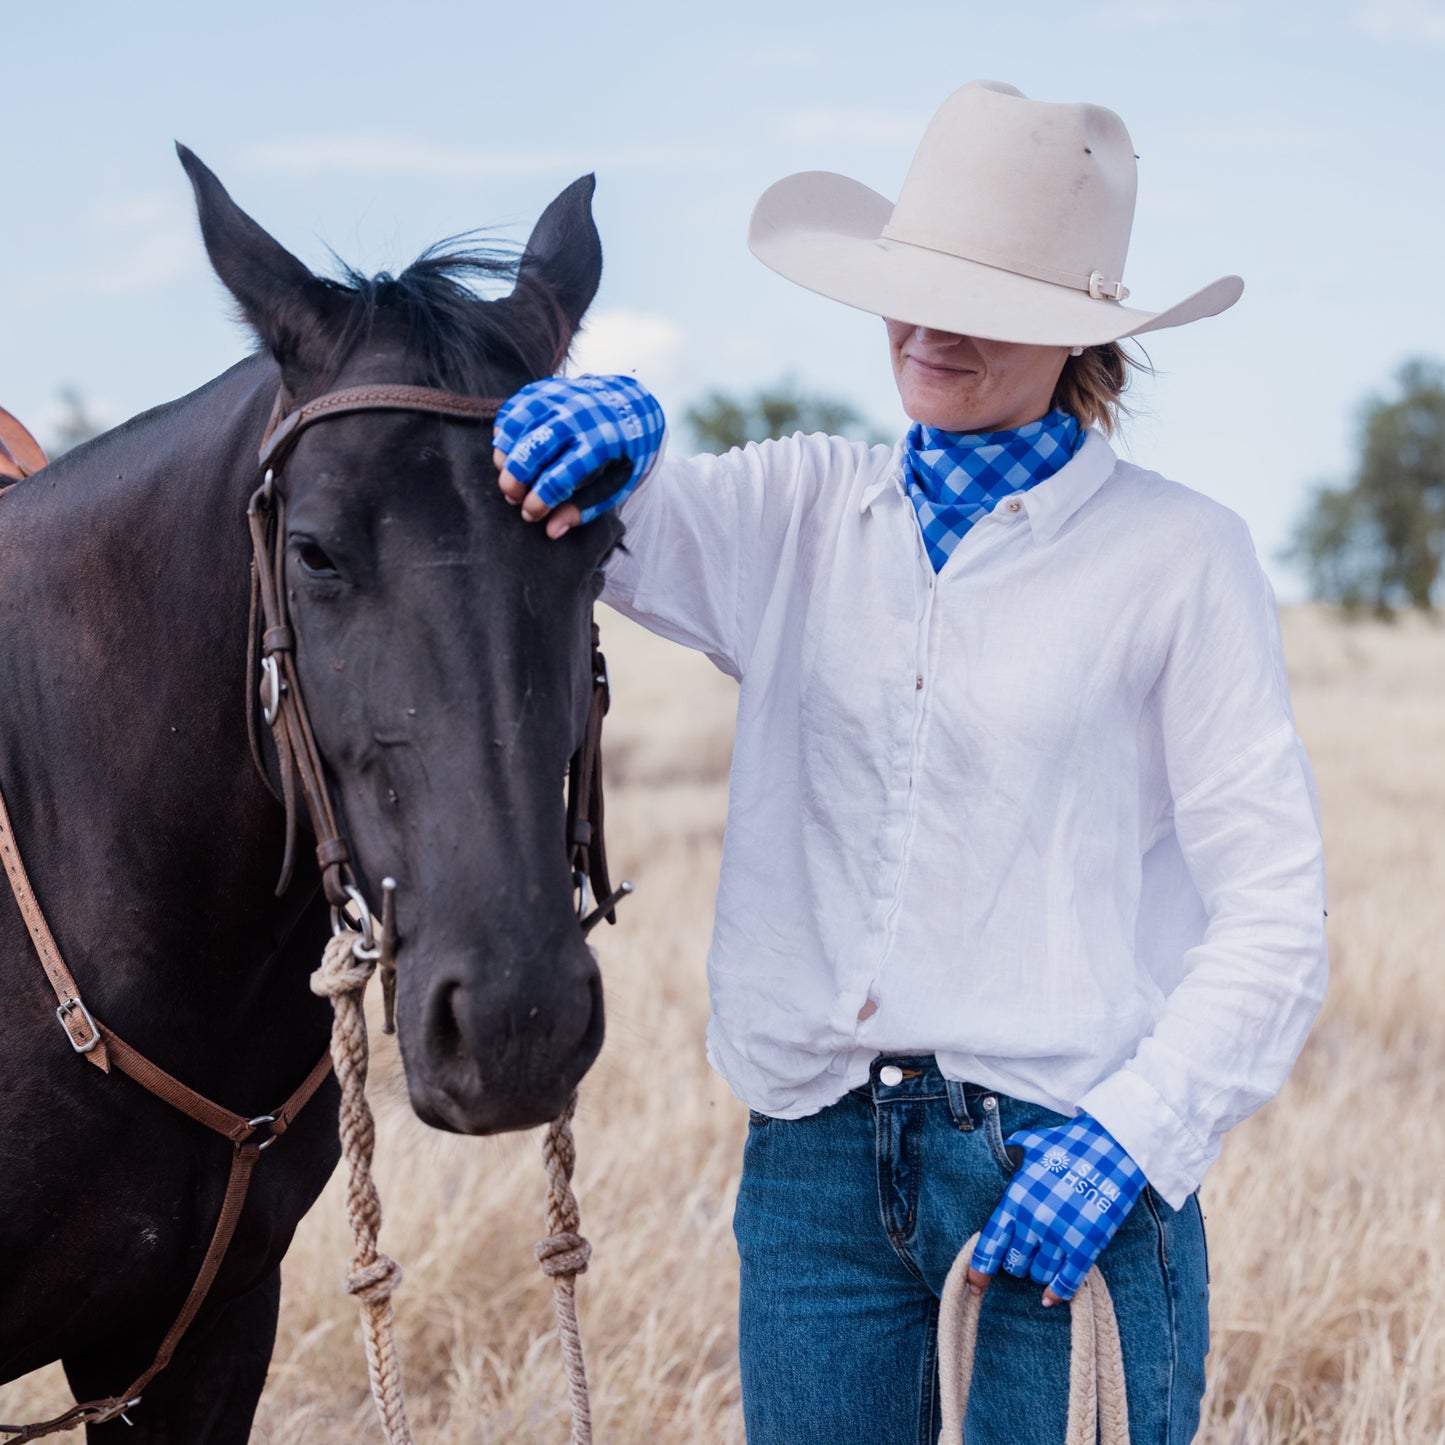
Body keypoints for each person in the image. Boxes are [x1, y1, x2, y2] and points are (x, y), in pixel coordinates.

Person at [491, 80, 1327, 1445]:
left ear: (1077, 336)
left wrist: (1129, 1139)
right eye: (911, 287)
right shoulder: (800, 509)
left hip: (1063, 1160)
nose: (929, 330)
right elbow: (586, 512)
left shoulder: (1181, 558)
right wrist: (590, 425)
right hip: (814, 1168)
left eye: (982, 300)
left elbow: (1277, 913)